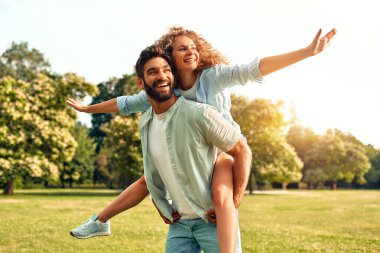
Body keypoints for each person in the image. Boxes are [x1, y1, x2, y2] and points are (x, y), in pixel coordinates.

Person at [69, 26, 336, 252]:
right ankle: (100, 219)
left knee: (222, 197)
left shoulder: (213, 77)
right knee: (148, 179)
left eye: (194, 47)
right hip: (194, 153)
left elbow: (255, 69)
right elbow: (125, 103)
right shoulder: (166, 86)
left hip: (223, 152)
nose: (191, 51)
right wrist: (86, 109)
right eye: (182, 48)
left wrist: (307, 52)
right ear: (171, 57)